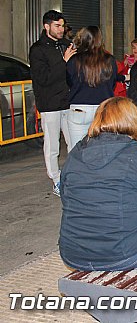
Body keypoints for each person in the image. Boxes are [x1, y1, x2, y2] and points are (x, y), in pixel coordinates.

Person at [59, 97, 137, 271]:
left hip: (73, 254)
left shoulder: (76, 153)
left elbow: (66, 198)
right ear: (133, 122)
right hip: (125, 255)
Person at [29, 10, 76, 196]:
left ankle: (73, 176)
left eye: (62, 25)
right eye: (57, 26)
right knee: (52, 145)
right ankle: (55, 179)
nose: (61, 29)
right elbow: (43, 78)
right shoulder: (38, 50)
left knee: (73, 142)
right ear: (46, 26)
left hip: (69, 101)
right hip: (50, 104)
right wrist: (63, 62)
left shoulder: (66, 45)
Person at [66, 26, 118, 150]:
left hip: (79, 108)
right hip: (103, 108)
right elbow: (112, 83)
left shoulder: (75, 60)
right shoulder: (109, 60)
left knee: (77, 150)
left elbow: (69, 82)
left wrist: (66, 62)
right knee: (103, 149)